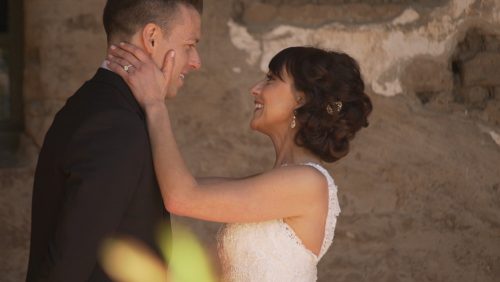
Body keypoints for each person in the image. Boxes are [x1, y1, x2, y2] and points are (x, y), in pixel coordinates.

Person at [106, 44, 372, 281]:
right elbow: (174, 185)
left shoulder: (307, 182)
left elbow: (182, 197)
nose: (254, 88)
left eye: (270, 79)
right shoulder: (276, 182)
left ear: (300, 100)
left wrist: (154, 103)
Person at [26, 0, 203, 281]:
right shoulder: (114, 123)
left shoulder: (96, 105)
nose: (196, 61)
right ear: (152, 38)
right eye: (189, 45)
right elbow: (68, 262)